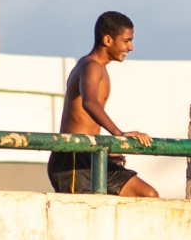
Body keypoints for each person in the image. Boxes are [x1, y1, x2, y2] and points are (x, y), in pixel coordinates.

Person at [49, 11, 158, 197]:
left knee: (148, 195)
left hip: (94, 153)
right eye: (126, 41)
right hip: (74, 156)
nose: (131, 47)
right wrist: (118, 134)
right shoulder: (90, 66)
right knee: (84, 216)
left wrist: (106, 150)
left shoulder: (101, 69)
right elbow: (89, 102)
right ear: (108, 40)